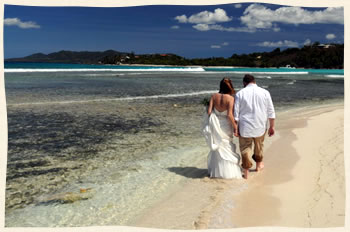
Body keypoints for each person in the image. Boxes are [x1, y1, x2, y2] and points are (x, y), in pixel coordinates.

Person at [234, 74, 275, 179]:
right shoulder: (265, 92)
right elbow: (271, 111)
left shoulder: (240, 93)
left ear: (244, 83)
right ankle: (258, 166)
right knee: (259, 146)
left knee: (245, 148)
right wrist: (272, 126)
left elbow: (236, 114)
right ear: (254, 81)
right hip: (260, 125)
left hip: (245, 127)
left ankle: (246, 172)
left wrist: (235, 128)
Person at [202, 78, 242, 179]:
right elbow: (229, 115)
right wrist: (235, 126)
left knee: (218, 145)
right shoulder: (230, 98)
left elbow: (209, 112)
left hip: (215, 124)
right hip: (226, 125)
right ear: (230, 86)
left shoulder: (214, 96)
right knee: (226, 145)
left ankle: (216, 171)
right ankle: (228, 172)